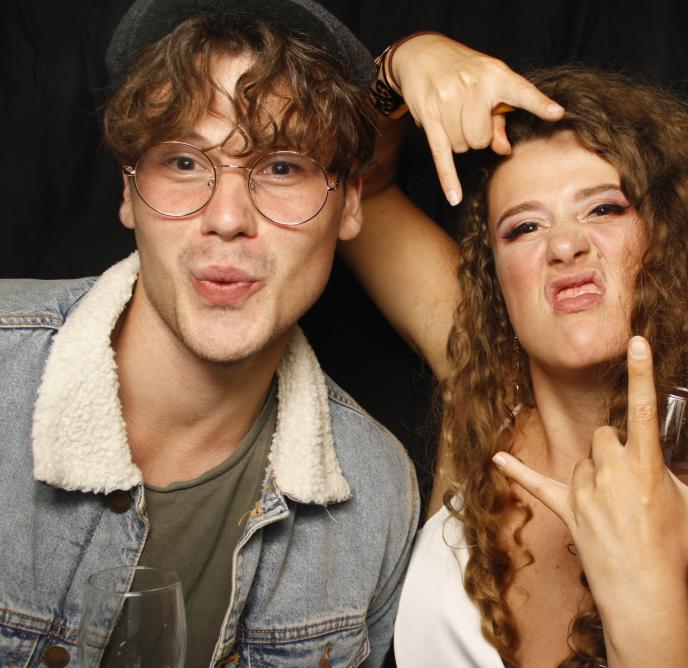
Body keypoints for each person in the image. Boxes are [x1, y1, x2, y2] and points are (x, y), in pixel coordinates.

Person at [0, 3, 564, 666]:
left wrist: (402, 61)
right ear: (128, 191)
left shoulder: (375, 497)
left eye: (280, 168)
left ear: (349, 202)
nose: (227, 217)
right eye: (183, 162)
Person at [345, 36, 688, 667]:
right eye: (524, 227)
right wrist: (402, 64)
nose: (564, 246)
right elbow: (358, 187)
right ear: (495, 283)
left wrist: (646, 584)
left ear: (670, 244)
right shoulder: (486, 406)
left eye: (604, 209)